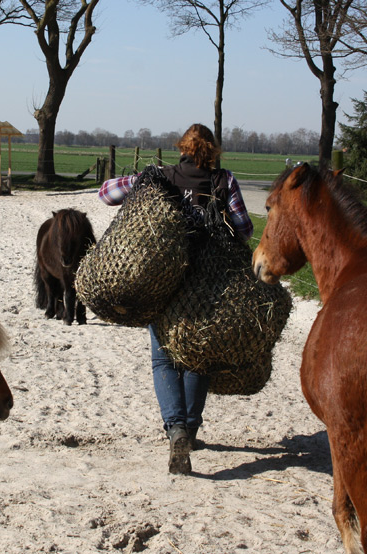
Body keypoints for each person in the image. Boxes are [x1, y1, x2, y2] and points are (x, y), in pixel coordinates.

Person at [97, 123, 253, 475]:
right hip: (208, 286)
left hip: (163, 282)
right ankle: (192, 428)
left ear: (182, 146)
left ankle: (176, 428)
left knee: (163, 360)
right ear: (212, 151)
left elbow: (106, 194)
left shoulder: (161, 177)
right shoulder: (224, 181)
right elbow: (244, 229)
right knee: (198, 357)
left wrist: (137, 182)